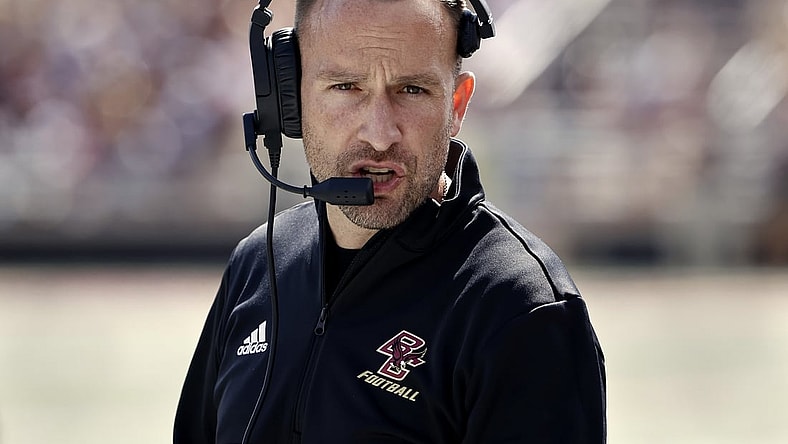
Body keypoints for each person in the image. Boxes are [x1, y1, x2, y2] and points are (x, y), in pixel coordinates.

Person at [174, 0, 607, 442]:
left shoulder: (521, 308)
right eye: (346, 87)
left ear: (456, 104)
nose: (380, 134)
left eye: (412, 90)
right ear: (290, 99)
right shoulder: (256, 264)